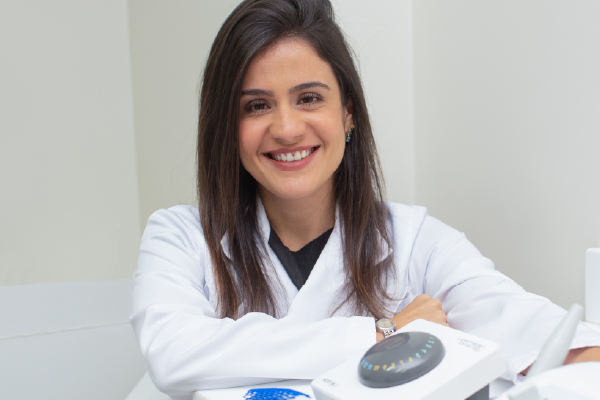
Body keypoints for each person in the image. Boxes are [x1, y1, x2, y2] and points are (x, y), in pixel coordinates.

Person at [130, 0, 600, 399]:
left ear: (348, 113)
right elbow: (174, 352)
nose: (287, 129)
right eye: (257, 106)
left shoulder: (416, 241)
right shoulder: (181, 237)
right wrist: (382, 333)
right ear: (228, 128)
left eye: (309, 98)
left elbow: (523, 322)